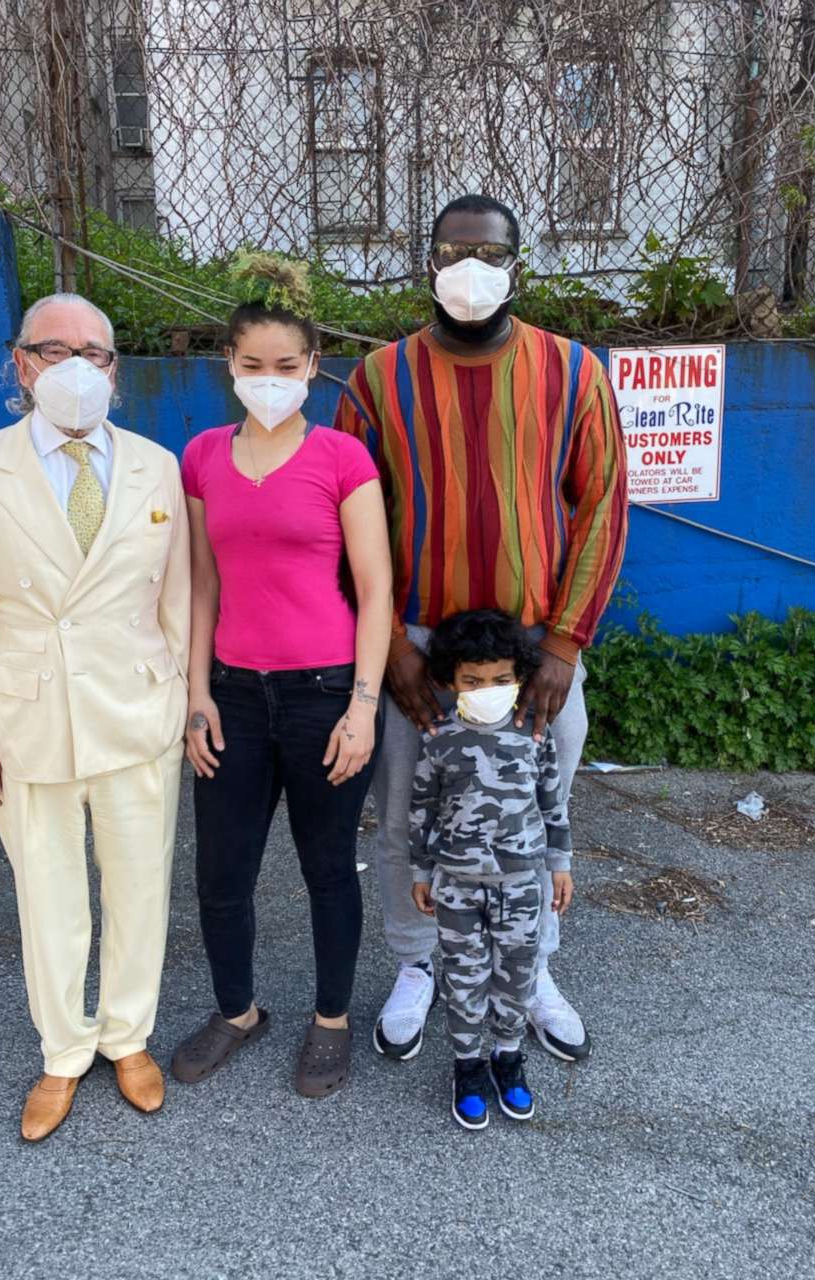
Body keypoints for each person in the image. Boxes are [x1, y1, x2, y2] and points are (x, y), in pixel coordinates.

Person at [335, 193, 627, 1064]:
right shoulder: (377, 379)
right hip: (418, 647)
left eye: (491, 254)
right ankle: (420, 963)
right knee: (403, 815)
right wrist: (388, 649)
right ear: (428, 262)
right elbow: (346, 520)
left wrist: (565, 647)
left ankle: (530, 969)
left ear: (516, 267)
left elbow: (602, 504)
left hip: (533, 651)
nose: (474, 268)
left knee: (537, 812)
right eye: (456, 250)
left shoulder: (573, 372)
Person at [0, 293, 191, 1141]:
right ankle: (62, 1051)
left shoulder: (158, 465)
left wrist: (188, 703)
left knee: (138, 885)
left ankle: (128, 1035)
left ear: (116, 370)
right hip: (28, 716)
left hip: (135, 705)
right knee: (46, 894)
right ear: (21, 363)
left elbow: (178, 600)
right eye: (55, 350)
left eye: (97, 353)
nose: (77, 367)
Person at [170, 253, 392, 1099]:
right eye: (252, 366)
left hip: (326, 693)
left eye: (287, 367)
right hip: (232, 695)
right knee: (221, 871)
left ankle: (330, 1021)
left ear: (313, 367)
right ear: (229, 365)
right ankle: (237, 1010)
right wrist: (196, 696)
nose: (269, 381)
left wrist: (364, 707)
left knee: (327, 867)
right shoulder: (201, 458)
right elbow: (202, 585)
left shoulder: (342, 458)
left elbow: (376, 594)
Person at [409, 610, 573, 1129]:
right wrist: (420, 872)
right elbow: (422, 807)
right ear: (450, 682)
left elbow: (553, 802)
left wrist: (560, 864)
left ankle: (507, 1056)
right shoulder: (439, 737)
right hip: (456, 885)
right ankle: (467, 1066)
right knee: (463, 979)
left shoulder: (534, 732)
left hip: (523, 884)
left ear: (519, 677)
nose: (487, 688)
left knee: (518, 976)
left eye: (501, 679)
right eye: (472, 681)